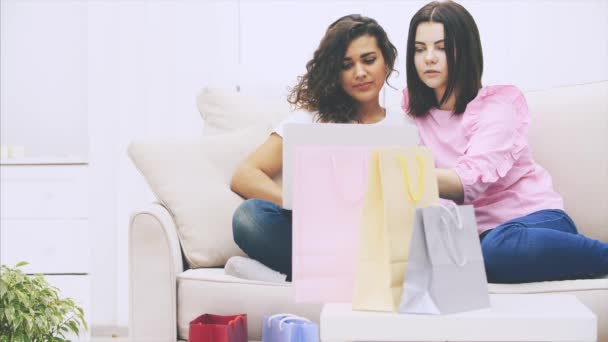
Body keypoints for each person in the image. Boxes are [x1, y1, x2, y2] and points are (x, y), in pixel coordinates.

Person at [403, 0, 608, 283]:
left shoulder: (498, 107)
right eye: (419, 49)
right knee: (471, 256)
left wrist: (398, 173)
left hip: (533, 222)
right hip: (475, 238)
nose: (429, 58)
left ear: (465, 51)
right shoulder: (413, 113)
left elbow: (469, 181)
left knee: (496, 250)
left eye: (441, 47)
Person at [229, 14, 408, 281]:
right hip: (318, 235)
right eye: (347, 65)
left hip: (374, 238)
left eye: (369, 60)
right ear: (335, 73)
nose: (360, 73)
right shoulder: (310, 119)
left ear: (387, 63)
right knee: (248, 217)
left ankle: (298, 275)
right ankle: (346, 274)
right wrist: (301, 205)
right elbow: (245, 174)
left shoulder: (406, 124)